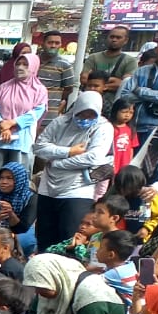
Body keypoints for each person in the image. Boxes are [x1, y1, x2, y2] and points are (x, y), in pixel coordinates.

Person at [32, 91, 115, 249]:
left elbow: (93, 157)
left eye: (91, 115)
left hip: (77, 190)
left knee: (69, 238)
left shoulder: (103, 127)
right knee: (45, 238)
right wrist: (68, 151)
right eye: (82, 114)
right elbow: (39, 147)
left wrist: (58, 163)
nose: (85, 119)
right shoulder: (61, 122)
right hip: (48, 188)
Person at [0, 52, 48, 197]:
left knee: (18, 177)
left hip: (22, 141)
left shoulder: (39, 90)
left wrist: (13, 123)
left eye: (25, 64)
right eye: (18, 63)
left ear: (34, 67)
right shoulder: (3, 88)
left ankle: (15, 210)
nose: (20, 67)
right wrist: (1, 125)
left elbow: (37, 111)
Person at [33, 30, 77, 118]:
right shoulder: (33, 62)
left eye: (57, 43)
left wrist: (56, 101)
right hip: (28, 111)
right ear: (43, 43)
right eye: (50, 42)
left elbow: (68, 89)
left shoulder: (65, 65)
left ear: (60, 45)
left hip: (49, 114)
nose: (53, 46)